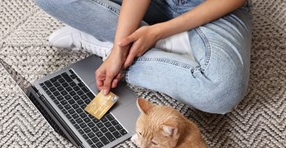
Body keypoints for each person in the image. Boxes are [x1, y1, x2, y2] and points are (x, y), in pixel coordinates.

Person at [34, 0, 252, 114]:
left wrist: (160, 32)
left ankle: (116, 41)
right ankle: (142, 44)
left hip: (211, 6)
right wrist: (118, 50)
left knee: (220, 92)